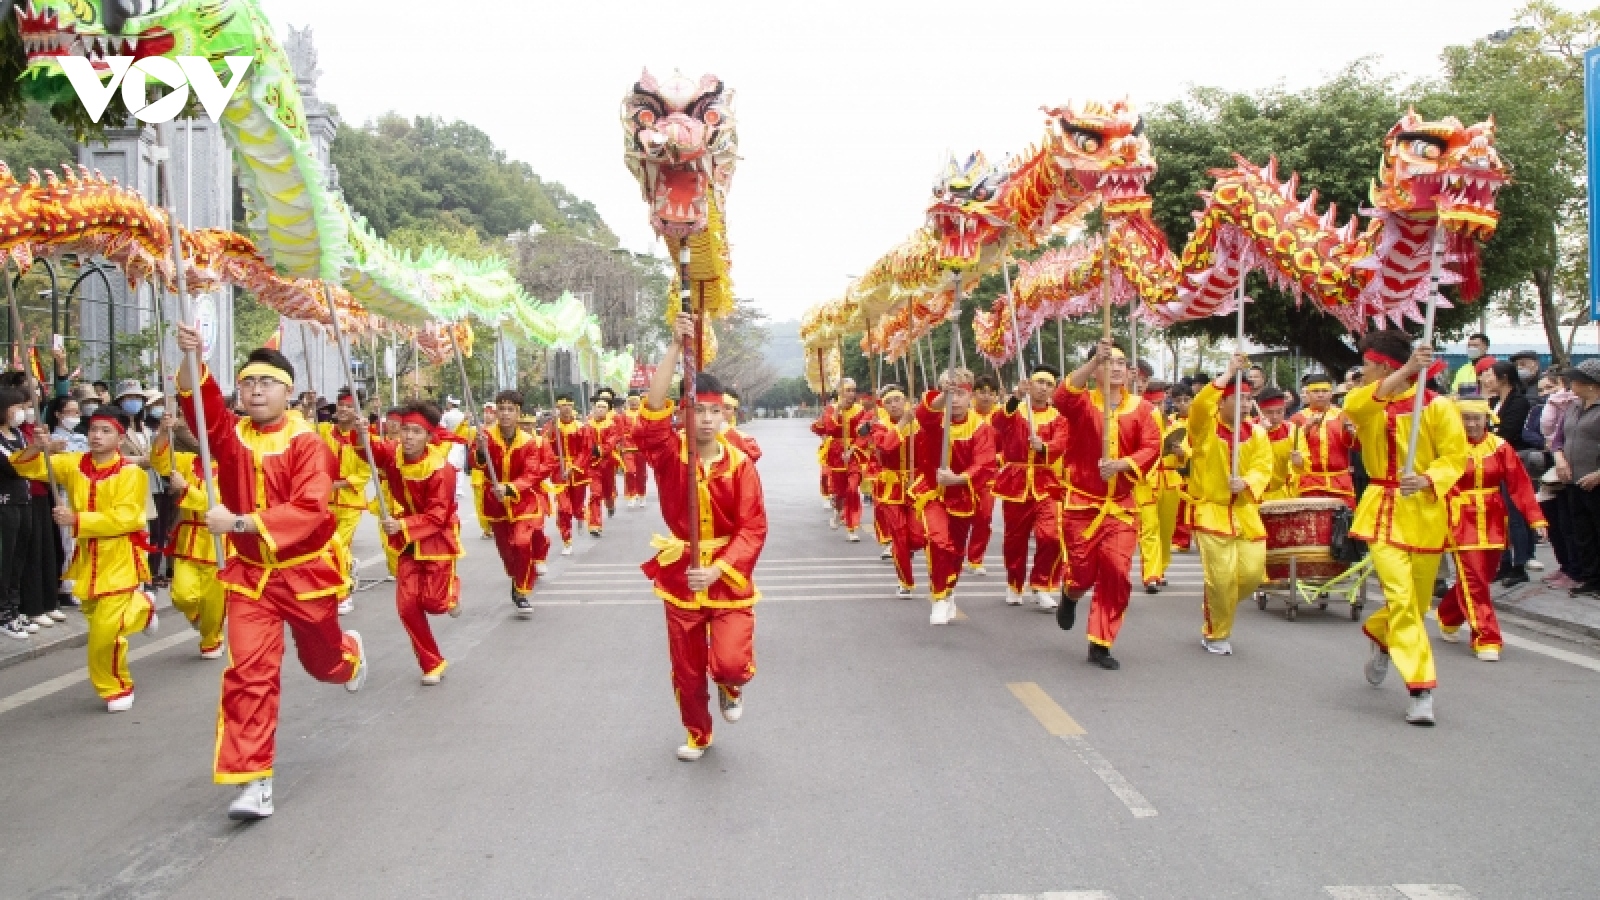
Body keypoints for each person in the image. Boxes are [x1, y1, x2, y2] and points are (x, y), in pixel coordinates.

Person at [174, 323, 368, 820]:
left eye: (266, 383)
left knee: (322, 665)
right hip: (251, 577)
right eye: (248, 383)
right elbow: (198, 403)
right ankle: (253, 780)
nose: (256, 390)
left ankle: (349, 655)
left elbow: (309, 509)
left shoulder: (309, 444)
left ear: (289, 392)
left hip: (304, 574)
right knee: (248, 675)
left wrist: (238, 521)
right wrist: (193, 356)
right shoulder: (231, 434)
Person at [639, 312, 767, 762]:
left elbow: (753, 527)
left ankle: (731, 685)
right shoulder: (667, 453)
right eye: (699, 410)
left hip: (726, 574)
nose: (708, 420)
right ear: (684, 413)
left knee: (729, 661)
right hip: (681, 575)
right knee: (688, 671)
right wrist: (675, 347)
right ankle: (698, 733)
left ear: (727, 414)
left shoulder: (740, 463)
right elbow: (651, 411)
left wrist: (718, 567)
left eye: (717, 411)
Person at [1345, 330, 1467, 726]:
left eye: (1367, 363)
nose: (1361, 370)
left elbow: (1455, 458)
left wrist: (1430, 478)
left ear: (1381, 364)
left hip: (1427, 513)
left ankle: (1382, 637)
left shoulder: (1438, 407)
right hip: (1383, 510)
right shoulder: (1363, 403)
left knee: (1413, 604)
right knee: (1400, 598)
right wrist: (1410, 370)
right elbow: (1359, 408)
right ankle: (1420, 688)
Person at [13, 407, 156, 711]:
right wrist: (37, 447)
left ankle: (116, 687)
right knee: (100, 622)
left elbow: (128, 517)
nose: (97, 436)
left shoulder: (130, 473)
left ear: (120, 437)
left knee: (105, 633)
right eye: (93, 429)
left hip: (119, 557)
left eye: (106, 430)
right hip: (87, 560)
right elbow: (26, 468)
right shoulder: (72, 464)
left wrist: (77, 519)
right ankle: (143, 608)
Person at [1051, 340, 1162, 670]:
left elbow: (1152, 446)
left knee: (1117, 573)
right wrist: (1088, 364)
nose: (1115, 367)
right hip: (1082, 504)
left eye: (1120, 362)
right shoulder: (1082, 404)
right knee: (1082, 574)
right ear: (1096, 369)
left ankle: (1100, 642)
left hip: (1122, 506)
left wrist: (1124, 465)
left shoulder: (1144, 410)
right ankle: (1070, 595)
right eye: (1107, 362)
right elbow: (1061, 397)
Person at [1439, 390, 1547, 660]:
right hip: (1459, 517)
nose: (1471, 424)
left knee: (1482, 576)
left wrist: (1535, 519)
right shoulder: (1445, 446)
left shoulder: (1500, 447)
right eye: (1465, 419)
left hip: (1493, 519)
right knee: (1474, 577)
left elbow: (1520, 486)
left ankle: (1449, 615)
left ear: (1486, 419)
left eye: (1476, 419)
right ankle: (1486, 637)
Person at [367, 401, 462, 685]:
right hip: (407, 541)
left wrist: (404, 524)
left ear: (429, 436)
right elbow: (369, 451)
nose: (408, 437)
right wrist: (359, 431)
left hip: (436, 538)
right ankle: (432, 662)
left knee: (434, 603)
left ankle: (452, 590)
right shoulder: (393, 454)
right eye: (405, 430)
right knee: (407, 606)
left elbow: (437, 516)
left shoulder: (441, 470)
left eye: (416, 432)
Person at [1187, 354, 1274, 655]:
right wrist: (1227, 373)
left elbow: (1264, 467)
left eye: (1249, 399)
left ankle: (1216, 601)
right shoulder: (1204, 430)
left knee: (1251, 576)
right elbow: (1199, 407)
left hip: (1245, 513)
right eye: (1238, 399)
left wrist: (1248, 482)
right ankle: (1216, 633)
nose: (1246, 405)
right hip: (1212, 511)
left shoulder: (1258, 433)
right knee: (1221, 578)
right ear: (1221, 403)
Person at [912, 368, 998, 625]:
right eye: (952, 393)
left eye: (961, 393)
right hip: (932, 493)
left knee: (957, 551)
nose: (956, 399)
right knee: (938, 542)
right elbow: (923, 413)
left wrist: (959, 478)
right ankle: (939, 597)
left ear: (969, 395)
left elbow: (984, 463)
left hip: (962, 494)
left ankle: (948, 592)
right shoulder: (934, 417)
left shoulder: (981, 427)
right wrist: (941, 396)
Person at [989, 365, 1068, 609]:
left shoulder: (1058, 417)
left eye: (1048, 384)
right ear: (1030, 384)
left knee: (1051, 535)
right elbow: (998, 422)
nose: (1043, 388)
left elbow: (1062, 443)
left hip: (1046, 483)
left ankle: (1042, 583)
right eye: (1039, 382)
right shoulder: (1016, 411)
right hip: (1016, 481)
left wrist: (1043, 447)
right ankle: (1014, 583)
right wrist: (1014, 397)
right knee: (1015, 539)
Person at [474, 390, 556, 615]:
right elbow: (476, 464)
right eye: (501, 409)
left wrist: (510, 487)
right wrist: (481, 453)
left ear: (518, 413)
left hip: (523, 501)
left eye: (510, 409)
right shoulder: (485, 436)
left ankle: (521, 591)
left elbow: (532, 473)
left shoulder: (528, 442)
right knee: (506, 551)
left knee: (521, 544)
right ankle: (515, 576)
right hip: (496, 501)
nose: (505, 413)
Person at [152, 415, 227, 659]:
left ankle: (211, 640)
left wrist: (186, 489)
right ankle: (196, 616)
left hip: (219, 543)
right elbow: (160, 462)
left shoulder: (236, 467)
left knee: (215, 605)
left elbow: (217, 505)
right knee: (182, 595)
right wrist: (164, 432)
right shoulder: (185, 460)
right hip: (188, 539)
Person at [862, 385, 924, 598]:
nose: (894, 404)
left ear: (906, 400)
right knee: (899, 535)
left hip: (917, 483)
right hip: (891, 486)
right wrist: (904, 424)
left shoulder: (919, 423)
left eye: (898, 399)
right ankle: (905, 582)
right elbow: (886, 447)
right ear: (883, 406)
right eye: (889, 402)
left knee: (917, 536)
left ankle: (911, 549)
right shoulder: (879, 426)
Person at [319, 390, 373, 615]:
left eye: (349, 406)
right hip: (323, 500)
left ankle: (344, 592)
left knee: (338, 545)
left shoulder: (363, 438)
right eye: (340, 405)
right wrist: (307, 405)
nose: (343, 409)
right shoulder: (322, 430)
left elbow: (365, 471)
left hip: (349, 502)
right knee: (327, 547)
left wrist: (339, 485)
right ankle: (346, 570)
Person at [1480, 360, 1534, 586]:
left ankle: (1520, 564)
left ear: (1503, 377)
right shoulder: (1492, 402)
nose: (1485, 378)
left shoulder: (1519, 402)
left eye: (1489, 374)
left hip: (1511, 463)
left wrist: (1490, 433)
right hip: (1492, 463)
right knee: (1497, 515)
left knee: (1515, 515)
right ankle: (1503, 563)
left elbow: (1507, 432)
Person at [811, 377, 870, 542]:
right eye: (847, 390)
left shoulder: (860, 410)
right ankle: (837, 511)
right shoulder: (831, 409)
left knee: (852, 489)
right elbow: (830, 429)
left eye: (853, 390)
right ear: (840, 392)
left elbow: (863, 434)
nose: (851, 394)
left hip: (854, 453)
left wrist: (853, 449)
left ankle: (852, 528)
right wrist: (837, 411)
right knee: (839, 493)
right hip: (836, 454)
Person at [1559, 359, 1600, 597]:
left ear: (1592, 385)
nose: (1571, 383)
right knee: (1582, 533)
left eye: (1576, 380)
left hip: (1595, 480)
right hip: (1575, 480)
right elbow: (1560, 439)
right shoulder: (1573, 407)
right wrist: (1561, 460)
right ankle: (1591, 578)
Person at [1289, 372, 1357, 507]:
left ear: (1331, 394)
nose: (1320, 395)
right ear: (1307, 394)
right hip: (1310, 482)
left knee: (1343, 524)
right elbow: (1291, 446)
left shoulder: (1343, 415)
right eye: (1315, 391)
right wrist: (1307, 427)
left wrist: (1352, 433)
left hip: (1340, 482)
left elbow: (1355, 446)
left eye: (1324, 391)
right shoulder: (1298, 418)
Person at [1136, 379, 1175, 592]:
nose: (1159, 408)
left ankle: (1161, 569)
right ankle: (1151, 574)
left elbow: (1189, 455)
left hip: (1170, 482)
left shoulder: (1174, 425)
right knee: (1149, 529)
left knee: (1166, 531)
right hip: (1146, 483)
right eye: (1154, 404)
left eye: (1161, 403)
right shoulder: (1139, 425)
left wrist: (1180, 453)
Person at [544, 396, 594, 555]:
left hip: (578, 471)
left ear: (572, 407)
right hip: (559, 470)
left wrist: (573, 467)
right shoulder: (552, 425)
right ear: (558, 408)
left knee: (577, 506)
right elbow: (545, 445)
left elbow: (586, 450)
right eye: (562, 405)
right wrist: (552, 428)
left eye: (568, 405)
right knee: (564, 507)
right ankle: (567, 540)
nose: (565, 408)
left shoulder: (581, 426)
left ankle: (580, 516)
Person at [964, 374, 1001, 574]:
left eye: (990, 393)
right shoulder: (965, 415)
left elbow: (1010, 447)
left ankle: (976, 559)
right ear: (973, 394)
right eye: (982, 392)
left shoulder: (1002, 417)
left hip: (988, 477)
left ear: (996, 396)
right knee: (960, 518)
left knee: (984, 517)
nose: (986, 397)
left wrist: (999, 458)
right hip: (964, 476)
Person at [1160, 384, 1194, 555]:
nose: (1182, 404)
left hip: (1195, 465)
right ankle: (1180, 540)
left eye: (1186, 400)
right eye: (1178, 400)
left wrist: (1187, 453)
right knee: (1179, 507)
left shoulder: (1198, 420)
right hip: (1176, 467)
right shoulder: (1171, 421)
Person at [585, 397, 622, 536]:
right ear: (594, 408)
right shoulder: (588, 425)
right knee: (595, 493)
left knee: (607, 491)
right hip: (593, 465)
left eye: (603, 407)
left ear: (607, 410)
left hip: (607, 463)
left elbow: (611, 442)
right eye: (598, 407)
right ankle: (594, 524)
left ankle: (610, 504)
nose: (600, 409)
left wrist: (599, 449)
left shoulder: (611, 425)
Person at [1256, 387, 1295, 501]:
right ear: (1260, 411)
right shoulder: (1248, 429)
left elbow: (1302, 465)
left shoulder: (1291, 430)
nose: (1275, 417)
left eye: (1279, 411)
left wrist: (1299, 461)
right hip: (1252, 496)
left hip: (1280, 495)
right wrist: (1259, 432)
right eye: (1269, 412)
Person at [620, 392, 648, 507]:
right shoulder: (623, 415)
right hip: (627, 448)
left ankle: (642, 495)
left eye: (636, 400)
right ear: (628, 401)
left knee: (641, 474)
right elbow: (619, 431)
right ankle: (632, 495)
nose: (634, 402)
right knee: (630, 472)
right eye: (631, 400)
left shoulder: (644, 414)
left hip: (641, 448)